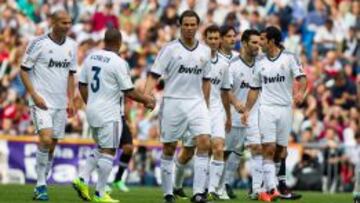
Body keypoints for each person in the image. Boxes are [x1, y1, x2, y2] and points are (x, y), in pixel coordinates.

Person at [72, 28, 155, 203]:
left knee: (101, 147)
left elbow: (81, 85)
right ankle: (101, 194)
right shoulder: (119, 62)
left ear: (104, 40)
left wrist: (91, 103)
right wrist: (147, 100)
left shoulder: (91, 58)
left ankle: (81, 178)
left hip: (92, 110)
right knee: (109, 151)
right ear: (119, 43)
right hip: (110, 112)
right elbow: (129, 91)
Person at [144, 10, 212, 203]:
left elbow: (206, 80)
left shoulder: (205, 51)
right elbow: (154, 74)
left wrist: (205, 104)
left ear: (197, 27)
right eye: (186, 25)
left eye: (193, 25)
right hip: (173, 102)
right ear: (180, 26)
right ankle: (168, 193)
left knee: (205, 142)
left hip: (196, 103)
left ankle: (198, 193)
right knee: (169, 147)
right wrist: (147, 95)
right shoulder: (170, 49)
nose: (189, 28)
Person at [242, 26, 307, 201]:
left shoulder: (289, 58)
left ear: (271, 41)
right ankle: (271, 190)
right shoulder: (260, 62)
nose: (259, 43)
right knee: (268, 148)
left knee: (280, 151)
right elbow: (254, 89)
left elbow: (302, 78)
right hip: (267, 109)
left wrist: (301, 92)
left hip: (285, 109)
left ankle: (270, 187)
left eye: (262, 39)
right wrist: (247, 110)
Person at [20, 10, 77, 201]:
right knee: (45, 139)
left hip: (61, 103)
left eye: (69, 23)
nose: (67, 26)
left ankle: (42, 181)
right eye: (63, 22)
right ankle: (40, 185)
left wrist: (71, 99)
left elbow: (71, 74)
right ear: (52, 22)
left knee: (52, 145)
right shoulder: (38, 43)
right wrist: (34, 95)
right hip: (41, 101)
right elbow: (24, 71)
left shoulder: (72, 45)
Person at [226, 29, 271, 201]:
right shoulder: (233, 65)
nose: (257, 46)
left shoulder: (263, 63)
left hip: (256, 113)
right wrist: (235, 102)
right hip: (234, 114)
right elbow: (226, 89)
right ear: (244, 43)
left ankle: (256, 189)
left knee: (257, 148)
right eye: (253, 42)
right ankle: (224, 183)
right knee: (231, 152)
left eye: (259, 42)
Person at [203, 24, 232, 201]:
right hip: (198, 109)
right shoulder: (198, 59)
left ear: (219, 40)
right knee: (192, 152)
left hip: (216, 111)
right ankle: (177, 185)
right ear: (205, 39)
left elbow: (225, 92)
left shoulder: (223, 65)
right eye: (210, 38)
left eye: (216, 38)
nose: (213, 41)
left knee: (219, 148)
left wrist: (228, 116)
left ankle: (212, 189)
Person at [112, 96, 134, 192]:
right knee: (107, 149)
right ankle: (101, 183)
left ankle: (118, 179)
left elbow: (126, 102)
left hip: (120, 118)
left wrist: (130, 121)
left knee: (129, 148)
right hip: (108, 115)